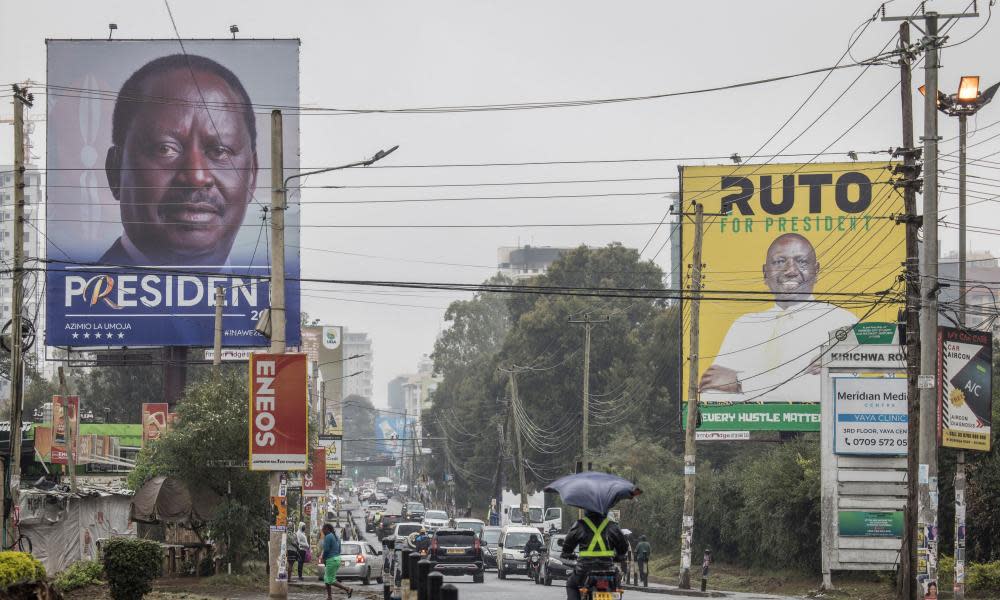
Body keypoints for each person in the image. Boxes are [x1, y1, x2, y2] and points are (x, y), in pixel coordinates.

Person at [103, 54, 258, 268]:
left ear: (252, 175)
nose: (196, 177)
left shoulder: (275, 298)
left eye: (220, 151)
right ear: (115, 171)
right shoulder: (80, 297)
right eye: (165, 149)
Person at [699, 233, 857, 402]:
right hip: (752, 426)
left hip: (820, 428)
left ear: (816, 270)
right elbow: (711, 390)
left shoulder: (843, 322)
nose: (791, 271)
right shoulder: (743, 325)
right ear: (765, 273)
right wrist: (799, 376)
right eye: (780, 262)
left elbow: (838, 390)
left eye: (801, 262)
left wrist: (740, 382)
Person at [561, 510, 629, 600]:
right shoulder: (613, 526)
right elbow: (623, 548)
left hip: (584, 570)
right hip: (608, 570)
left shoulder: (579, 524)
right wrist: (620, 555)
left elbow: (567, 546)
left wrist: (567, 553)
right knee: (617, 585)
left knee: (571, 585)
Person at [319, 523, 353, 599]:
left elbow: (326, 550)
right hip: (337, 558)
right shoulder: (337, 537)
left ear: (327, 529)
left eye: (323, 529)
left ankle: (347, 589)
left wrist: (323, 558)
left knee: (330, 580)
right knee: (327, 578)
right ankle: (329, 596)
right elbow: (339, 550)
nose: (323, 531)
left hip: (331, 559)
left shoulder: (328, 537)